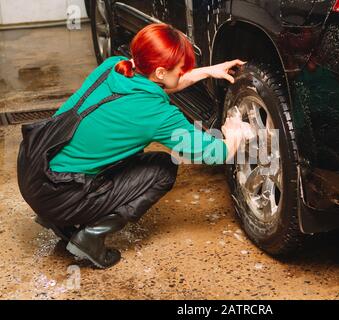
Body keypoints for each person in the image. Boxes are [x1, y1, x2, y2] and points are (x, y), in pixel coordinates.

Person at [17, 23, 250, 269]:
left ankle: (60, 220)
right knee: (162, 169)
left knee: (124, 150)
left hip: (34, 167)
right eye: (182, 69)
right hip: (58, 193)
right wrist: (232, 135)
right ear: (160, 72)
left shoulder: (114, 67)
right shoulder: (157, 115)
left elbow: (160, 83)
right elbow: (212, 153)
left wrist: (208, 71)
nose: (184, 73)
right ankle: (91, 236)